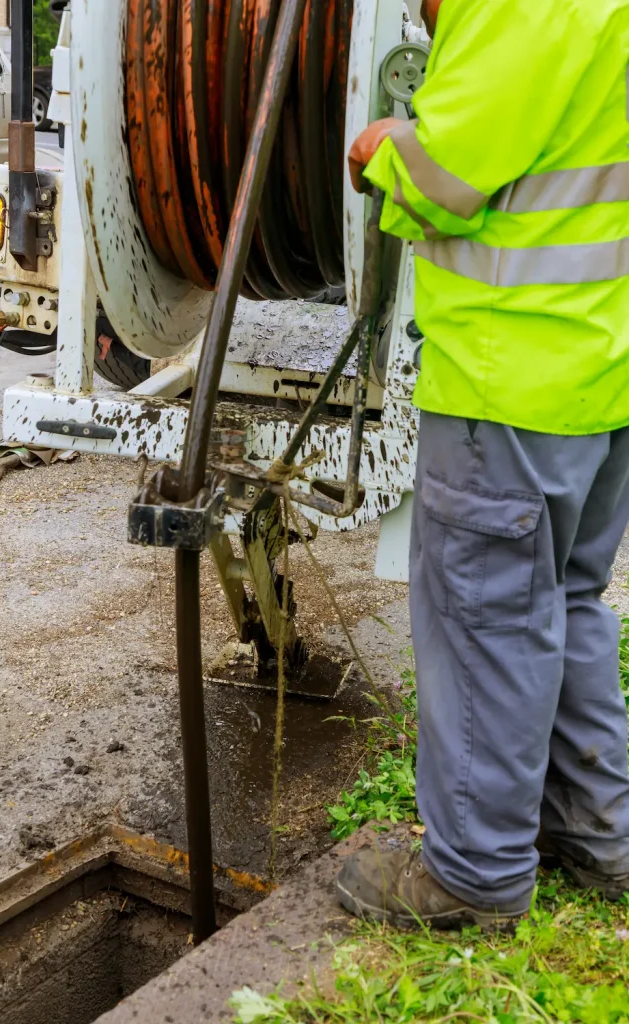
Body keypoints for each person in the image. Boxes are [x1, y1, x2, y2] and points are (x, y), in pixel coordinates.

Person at [336, 0, 629, 930]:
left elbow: (440, 181)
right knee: (565, 604)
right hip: (601, 376)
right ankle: (598, 833)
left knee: (485, 622)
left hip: (508, 380)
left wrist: (383, 143)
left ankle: (472, 878)